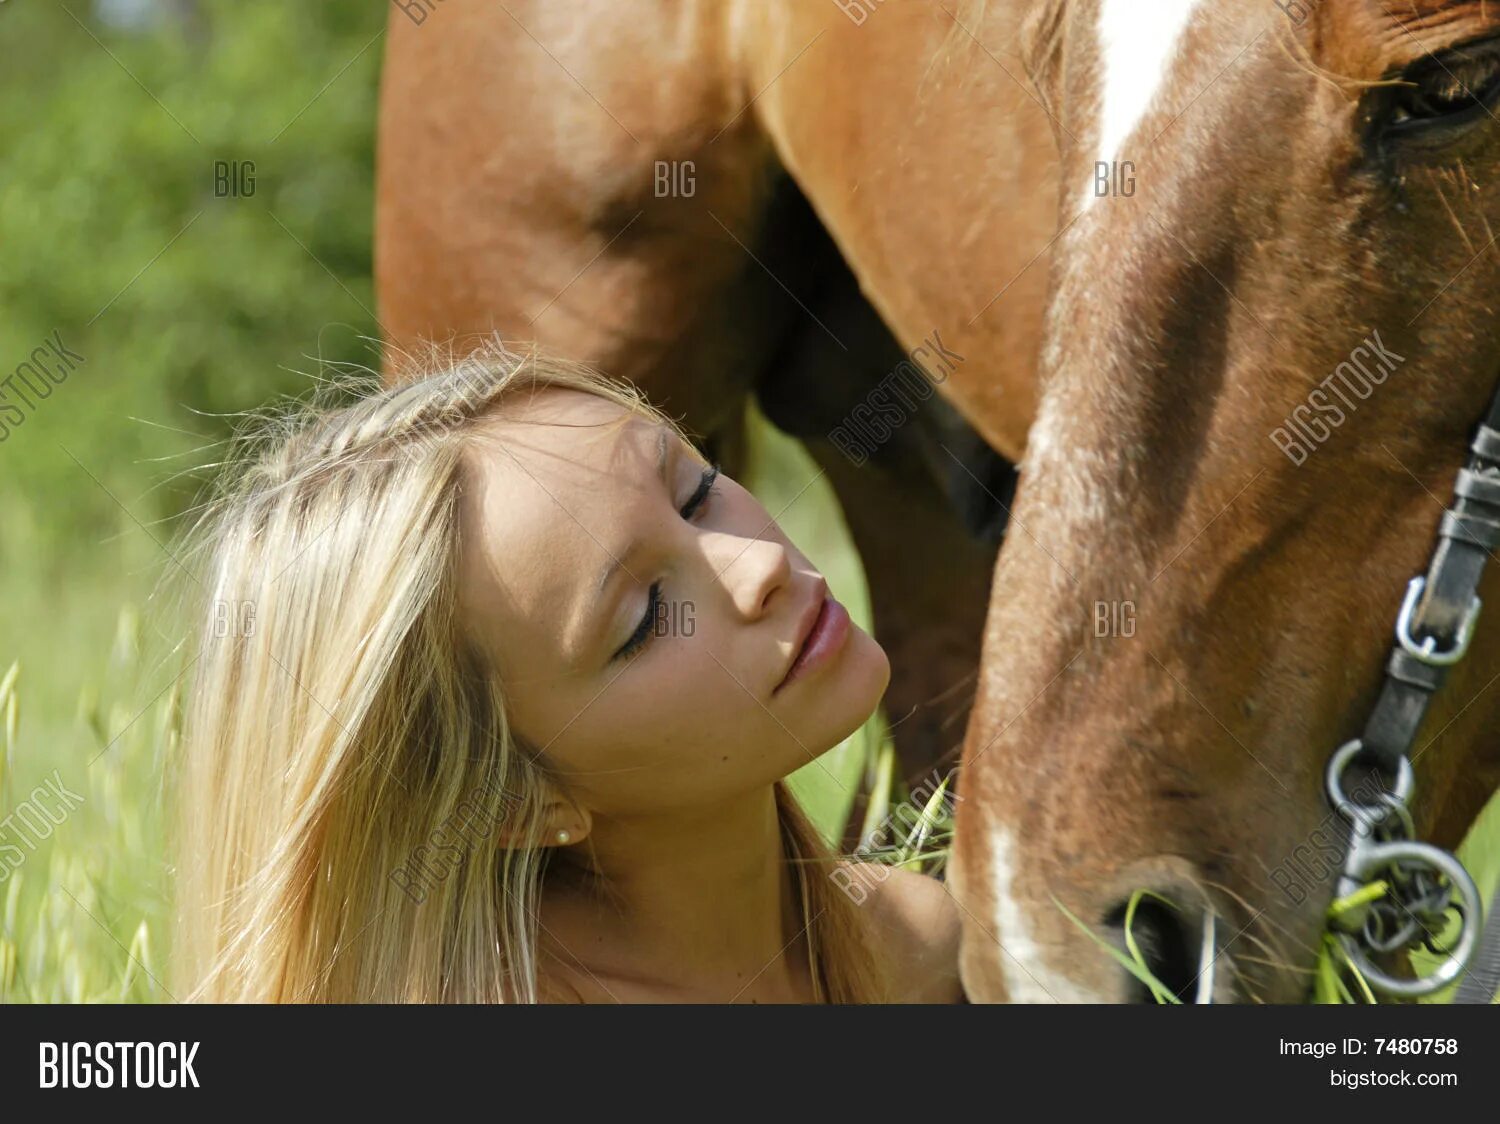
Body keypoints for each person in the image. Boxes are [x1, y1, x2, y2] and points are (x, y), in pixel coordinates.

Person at [172, 339, 962, 1003]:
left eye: (696, 494)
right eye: (646, 616)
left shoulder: (922, 951)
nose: (758, 566)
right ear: (515, 800)